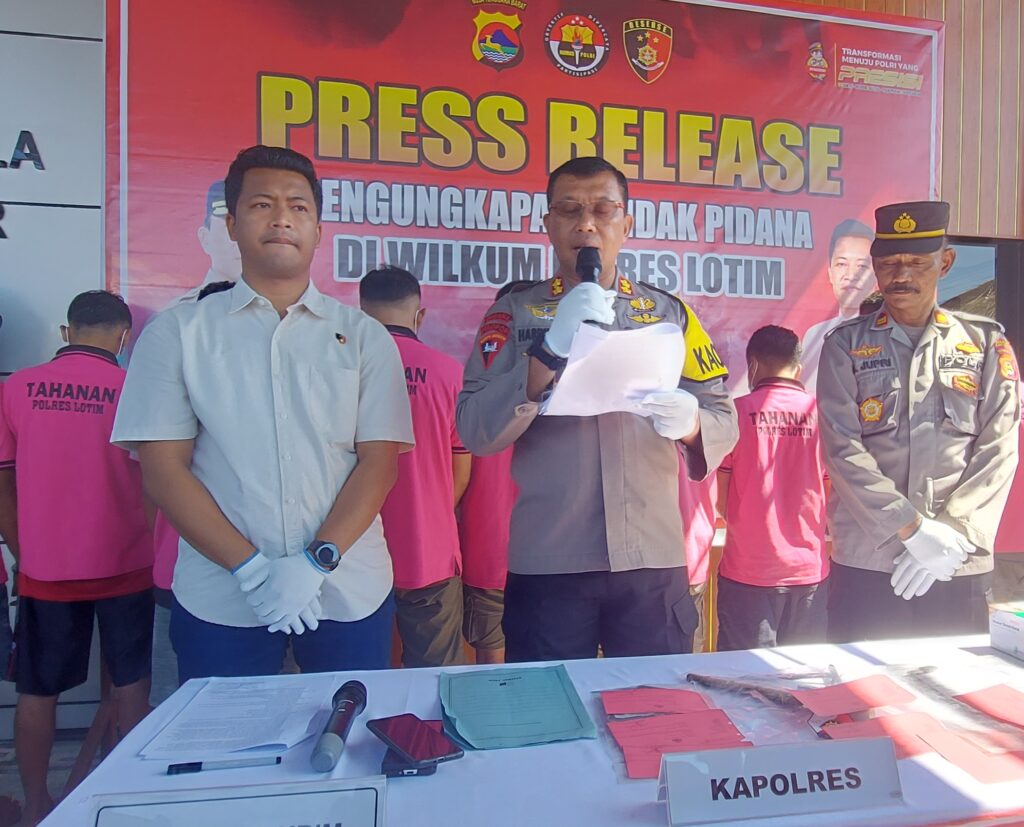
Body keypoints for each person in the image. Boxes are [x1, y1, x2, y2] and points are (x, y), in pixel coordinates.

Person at [112, 145, 414, 681]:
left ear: (318, 229)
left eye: (298, 207)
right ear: (231, 225)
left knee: (350, 727)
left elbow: (379, 463)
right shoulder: (179, 333)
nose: (281, 219)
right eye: (261, 205)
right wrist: (252, 570)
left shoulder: (365, 337)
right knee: (227, 733)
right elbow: (163, 471)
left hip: (347, 587)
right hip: (223, 596)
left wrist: (316, 561)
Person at [457, 156, 738, 662]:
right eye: (569, 210)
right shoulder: (514, 311)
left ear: (626, 225)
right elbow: (475, 428)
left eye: (603, 210)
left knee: (654, 703)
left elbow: (723, 417)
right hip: (550, 560)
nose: (586, 224)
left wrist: (693, 423)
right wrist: (545, 354)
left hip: (651, 559)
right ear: (548, 224)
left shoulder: (668, 313)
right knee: (549, 705)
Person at [819, 200, 1020, 641]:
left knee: (957, 680)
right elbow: (842, 449)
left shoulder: (985, 344)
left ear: (945, 262)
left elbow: (999, 449)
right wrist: (910, 530)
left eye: (916, 263)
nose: (901, 275)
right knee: (860, 679)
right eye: (889, 263)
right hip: (871, 559)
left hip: (957, 559)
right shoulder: (844, 346)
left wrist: (951, 532)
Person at [0, 291, 153, 825]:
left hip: (46, 570)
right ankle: (128, 803)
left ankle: (36, 803)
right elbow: (159, 482)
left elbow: (3, 483)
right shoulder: (136, 390)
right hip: (127, 564)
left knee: (37, 690)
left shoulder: (17, 388)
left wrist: (23, 550)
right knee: (131, 686)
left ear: (68, 332)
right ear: (124, 337)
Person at [359, 266, 471, 668]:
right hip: (428, 549)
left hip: (352, 549)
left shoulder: (342, 371)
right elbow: (461, 470)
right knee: (436, 676)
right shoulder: (449, 373)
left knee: (358, 673)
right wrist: (430, 512)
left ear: (360, 313)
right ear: (419, 315)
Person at [715, 325, 829, 650]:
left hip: (748, 572)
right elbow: (831, 491)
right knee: (804, 673)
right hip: (809, 572)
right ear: (798, 367)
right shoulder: (823, 415)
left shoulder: (736, 414)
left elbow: (720, 499)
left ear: (752, 364)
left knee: (743, 673)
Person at [456, 280, 531, 665]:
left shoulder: (468, 388)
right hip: (532, 557)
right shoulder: (469, 389)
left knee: (496, 670)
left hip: (493, 553)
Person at [800, 219, 875, 393]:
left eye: (862, 266)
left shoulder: (886, 333)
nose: (851, 275)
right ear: (830, 273)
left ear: (877, 274)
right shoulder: (814, 336)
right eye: (841, 264)